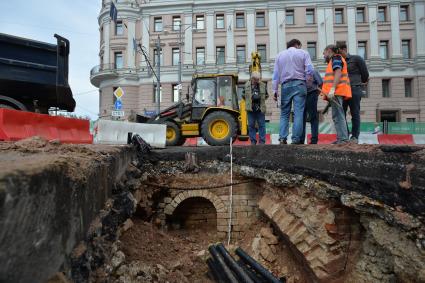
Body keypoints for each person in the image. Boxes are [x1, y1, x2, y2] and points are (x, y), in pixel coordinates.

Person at [272, 39, 314, 144]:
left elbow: (276, 75)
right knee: (298, 113)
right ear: (297, 45)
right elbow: (309, 70)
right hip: (300, 84)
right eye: (299, 46)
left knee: (284, 113)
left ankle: (282, 138)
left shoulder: (279, 55)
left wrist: (275, 91)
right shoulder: (304, 53)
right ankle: (296, 139)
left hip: (285, 86)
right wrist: (308, 84)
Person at [336, 42, 369, 143]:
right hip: (342, 91)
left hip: (354, 89)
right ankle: (345, 136)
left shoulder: (357, 59)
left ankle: (355, 137)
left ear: (344, 49)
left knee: (355, 113)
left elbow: (365, 75)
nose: (338, 55)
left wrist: (358, 83)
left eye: (339, 52)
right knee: (341, 114)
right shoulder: (338, 62)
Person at [320, 45, 352, 144]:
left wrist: (332, 89)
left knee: (338, 115)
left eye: (324, 52)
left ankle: (343, 139)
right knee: (337, 115)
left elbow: (338, 72)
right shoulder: (335, 59)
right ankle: (341, 138)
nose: (323, 55)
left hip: (337, 91)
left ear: (329, 51)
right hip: (337, 92)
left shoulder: (336, 58)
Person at [244, 71, 268, 145]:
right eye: (256, 79)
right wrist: (249, 100)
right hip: (250, 109)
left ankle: (262, 142)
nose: (257, 81)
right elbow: (243, 95)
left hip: (260, 109)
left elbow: (266, 95)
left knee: (262, 125)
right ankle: (253, 141)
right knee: (251, 125)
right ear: (252, 79)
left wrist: (260, 100)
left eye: (258, 79)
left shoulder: (263, 85)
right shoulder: (246, 85)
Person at [301, 69, 323, 144]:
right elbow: (320, 83)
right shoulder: (300, 72)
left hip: (310, 95)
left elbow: (320, 83)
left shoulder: (313, 71)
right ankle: (303, 139)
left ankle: (313, 140)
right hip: (304, 96)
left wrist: (317, 94)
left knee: (312, 117)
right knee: (302, 118)